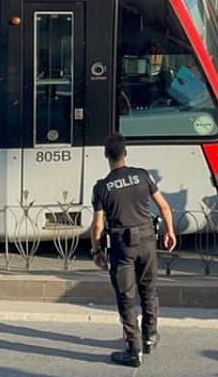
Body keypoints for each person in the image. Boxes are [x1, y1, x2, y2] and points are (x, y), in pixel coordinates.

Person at [90, 133, 178, 366]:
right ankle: (149, 337)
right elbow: (164, 206)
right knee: (148, 290)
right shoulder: (142, 175)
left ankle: (133, 349)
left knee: (126, 298)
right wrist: (170, 232)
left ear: (106, 154)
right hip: (148, 241)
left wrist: (96, 251)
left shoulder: (101, 187)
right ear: (125, 152)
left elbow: (98, 225)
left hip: (122, 247)